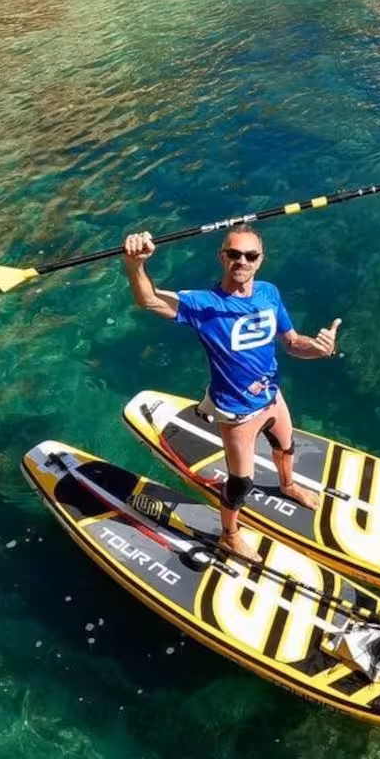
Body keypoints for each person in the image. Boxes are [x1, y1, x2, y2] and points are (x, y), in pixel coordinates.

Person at [122, 225, 340, 562]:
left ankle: (287, 485)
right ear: (222, 257)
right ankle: (230, 535)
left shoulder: (269, 293)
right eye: (234, 254)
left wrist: (319, 349)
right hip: (237, 412)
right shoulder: (203, 305)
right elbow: (149, 300)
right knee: (240, 483)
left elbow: (293, 343)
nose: (242, 261)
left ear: (260, 260)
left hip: (272, 396)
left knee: (285, 445)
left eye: (250, 255)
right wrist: (136, 265)